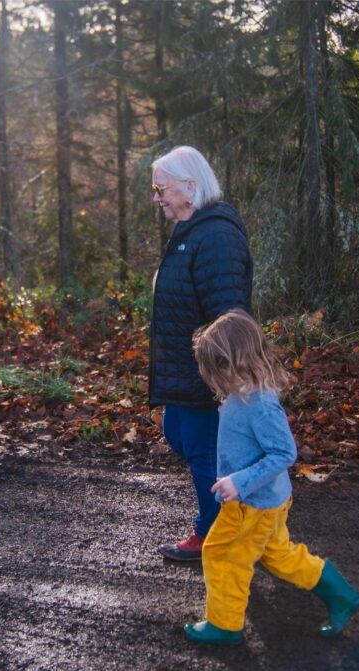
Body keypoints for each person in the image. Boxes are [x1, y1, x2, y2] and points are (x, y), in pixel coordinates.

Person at [183, 309, 359, 644]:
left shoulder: (260, 405)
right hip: (268, 502)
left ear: (231, 363)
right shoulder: (245, 394)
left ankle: (224, 626)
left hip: (251, 504)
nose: (211, 381)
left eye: (213, 372)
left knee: (222, 554)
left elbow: (284, 453)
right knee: (279, 555)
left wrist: (239, 481)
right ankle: (341, 594)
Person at [149, 146, 253, 561]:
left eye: (162, 188)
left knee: (203, 451)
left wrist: (224, 377)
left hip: (205, 371)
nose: (157, 198)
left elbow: (228, 314)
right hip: (183, 366)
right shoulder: (191, 232)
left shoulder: (216, 235)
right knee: (179, 433)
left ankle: (216, 536)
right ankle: (232, 525)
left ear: (190, 187)